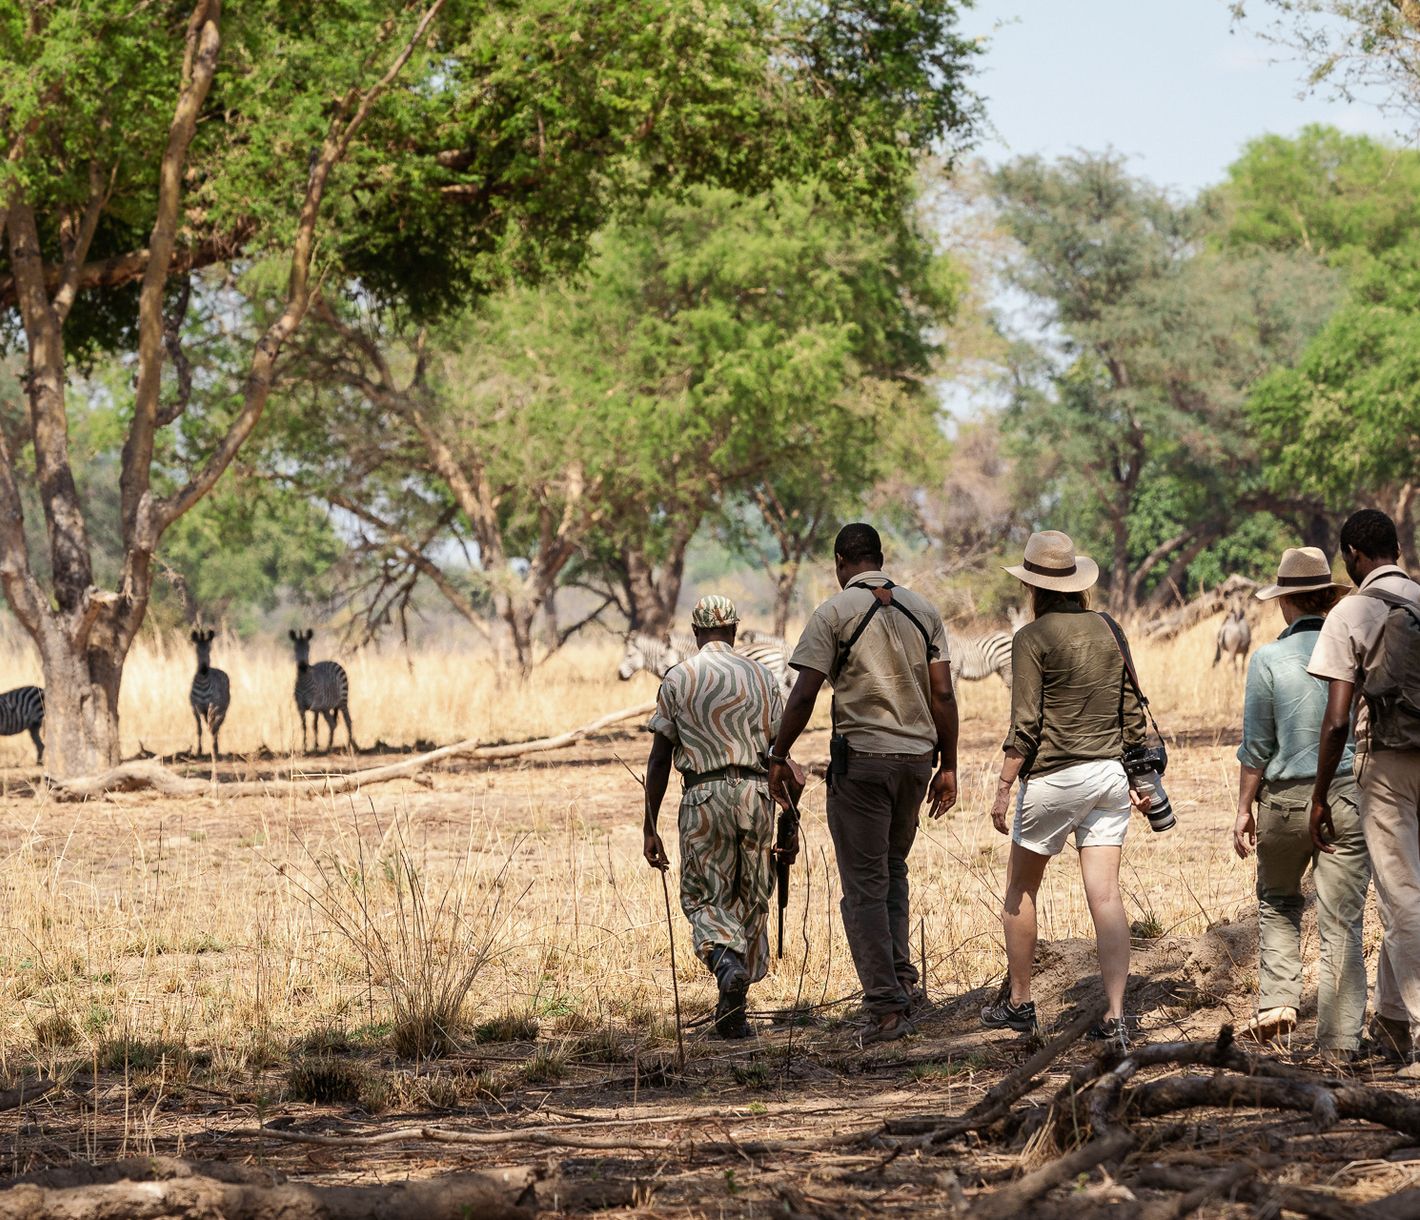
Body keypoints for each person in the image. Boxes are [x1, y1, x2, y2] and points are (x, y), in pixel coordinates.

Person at [767, 523, 958, 1046]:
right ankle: (903, 983)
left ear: (840, 562)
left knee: (864, 888)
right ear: (879, 557)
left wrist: (778, 754)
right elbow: (942, 695)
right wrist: (949, 766)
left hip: (863, 766)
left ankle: (886, 1011)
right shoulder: (923, 610)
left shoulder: (833, 613)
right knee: (893, 870)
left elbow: (804, 694)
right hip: (917, 763)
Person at [982, 530, 1150, 1049]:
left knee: (1020, 889)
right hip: (1109, 779)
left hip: (1054, 779)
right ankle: (1117, 1017)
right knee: (1106, 896)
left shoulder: (1031, 637)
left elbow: (1025, 725)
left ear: (1032, 587)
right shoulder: (1109, 628)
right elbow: (1132, 713)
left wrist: (1003, 786)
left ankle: (1020, 1003)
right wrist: (1138, 777)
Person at [1233, 548, 1368, 1064]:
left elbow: (1256, 747)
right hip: (1345, 796)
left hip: (1285, 802)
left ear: (1285, 602)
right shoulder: (1352, 650)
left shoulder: (1268, 658)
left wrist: (1244, 809)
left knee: (1278, 901)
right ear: (1329, 599)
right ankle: (1339, 1044)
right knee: (1341, 921)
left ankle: (1277, 1002)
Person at [642, 594, 798, 1039]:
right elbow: (780, 754)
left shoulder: (678, 678)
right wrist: (790, 817)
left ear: (695, 633)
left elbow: (659, 758)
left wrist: (650, 825)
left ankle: (726, 966)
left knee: (705, 896)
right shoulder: (763, 677)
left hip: (703, 797)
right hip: (755, 795)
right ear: (733, 630)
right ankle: (734, 1014)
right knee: (751, 894)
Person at [1307, 510, 1420, 1076]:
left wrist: (1319, 795)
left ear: (1353, 554)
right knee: (1404, 897)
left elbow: (1335, 720)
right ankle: (1393, 1026)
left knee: (1403, 898)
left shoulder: (1351, 611)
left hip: (1389, 766)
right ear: (1395, 548)